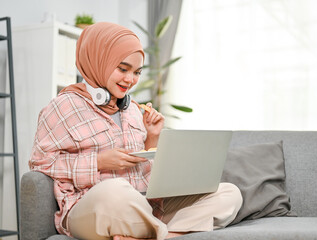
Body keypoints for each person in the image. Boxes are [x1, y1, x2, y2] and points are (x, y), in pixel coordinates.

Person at [29, 22, 243, 240]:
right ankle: (168, 233)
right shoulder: (61, 107)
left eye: (137, 72)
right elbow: (40, 164)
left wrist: (153, 138)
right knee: (114, 191)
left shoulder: (132, 109)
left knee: (229, 194)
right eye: (123, 69)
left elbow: (145, 172)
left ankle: (152, 235)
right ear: (98, 61)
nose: (130, 80)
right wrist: (99, 162)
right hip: (95, 207)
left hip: (146, 207)